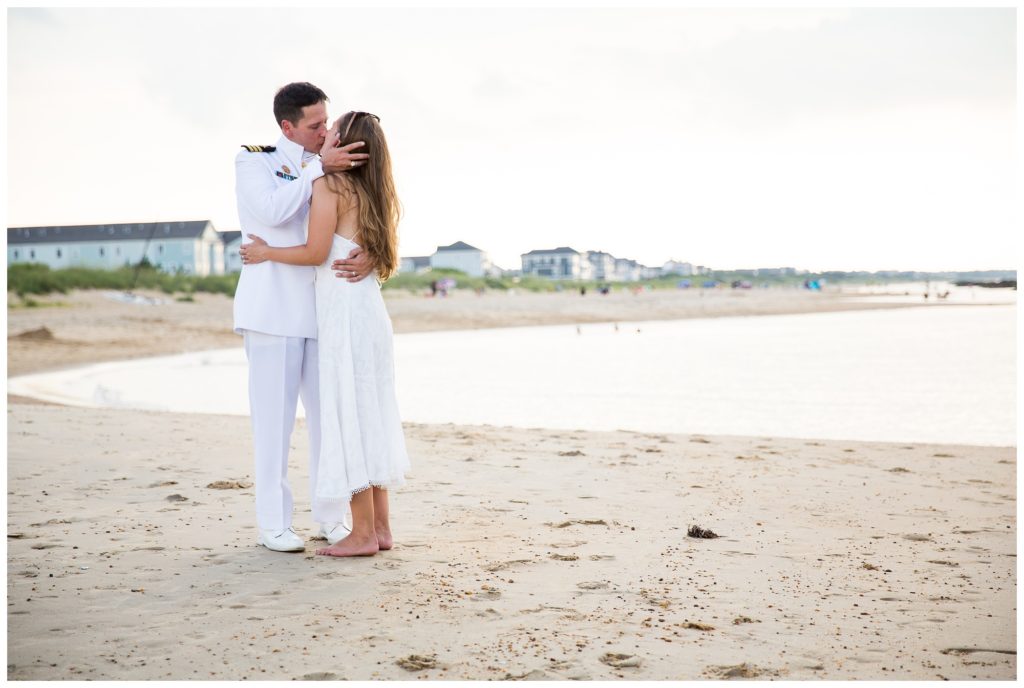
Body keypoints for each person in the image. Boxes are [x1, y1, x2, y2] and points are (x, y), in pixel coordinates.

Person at [240, 111, 411, 557]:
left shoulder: (329, 185)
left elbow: (318, 252)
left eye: (332, 128)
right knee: (370, 412)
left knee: (347, 415)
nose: (326, 132)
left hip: (342, 312)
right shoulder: (375, 190)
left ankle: (362, 534)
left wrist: (264, 252)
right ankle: (381, 529)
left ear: (346, 143)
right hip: (369, 311)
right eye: (319, 125)